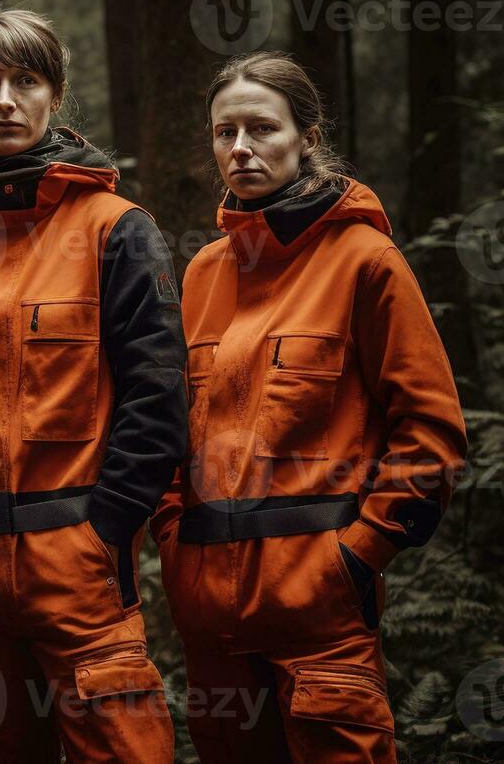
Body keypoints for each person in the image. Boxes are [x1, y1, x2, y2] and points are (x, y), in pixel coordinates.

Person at [152, 52, 468, 762]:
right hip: (212, 626)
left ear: (308, 138)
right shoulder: (204, 272)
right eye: (223, 131)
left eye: (261, 128)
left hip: (321, 614)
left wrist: (355, 559)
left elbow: (432, 432)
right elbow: (174, 430)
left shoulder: (365, 260)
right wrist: (175, 545)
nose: (240, 147)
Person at [0, 8, 185, 763]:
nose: (5, 99)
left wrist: (105, 532)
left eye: (24, 80)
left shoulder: (118, 229)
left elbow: (158, 400)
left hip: (75, 564)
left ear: (54, 95)